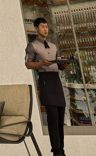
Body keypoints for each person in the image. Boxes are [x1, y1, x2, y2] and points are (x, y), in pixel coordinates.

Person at [26, 17, 70, 156]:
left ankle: (61, 150)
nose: (45, 29)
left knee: (60, 116)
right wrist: (41, 64)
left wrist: (63, 65)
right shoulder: (32, 46)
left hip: (56, 80)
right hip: (45, 80)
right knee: (52, 117)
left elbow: (59, 65)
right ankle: (56, 151)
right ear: (36, 28)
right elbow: (28, 64)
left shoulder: (53, 46)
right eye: (42, 26)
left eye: (46, 26)